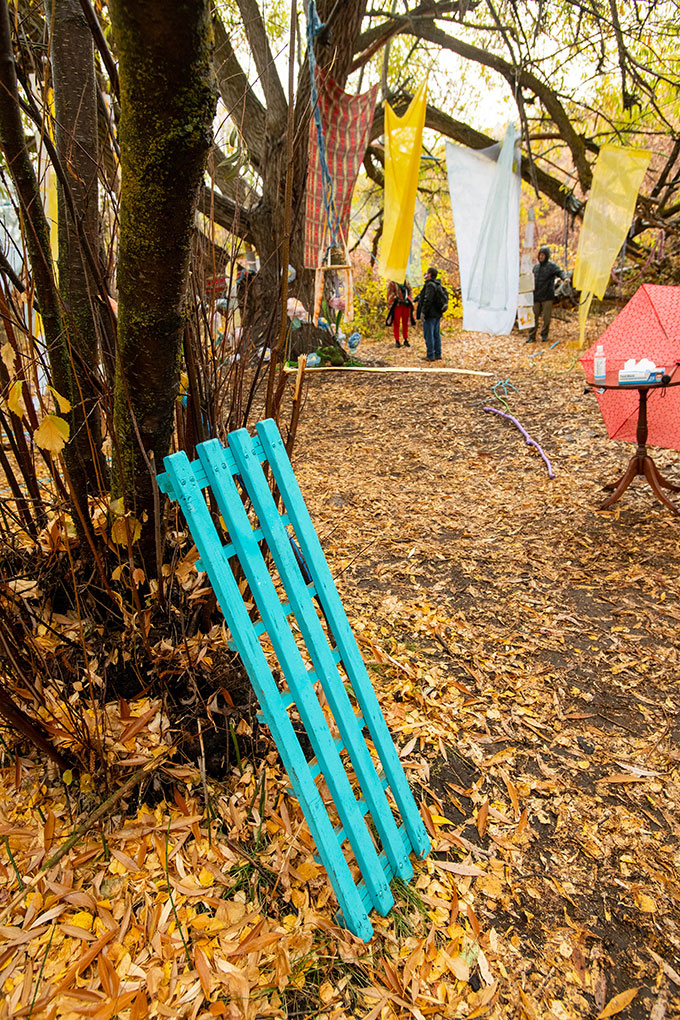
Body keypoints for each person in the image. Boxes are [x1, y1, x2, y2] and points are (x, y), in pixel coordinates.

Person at [526, 245, 566, 343]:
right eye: (540, 255)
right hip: (536, 296)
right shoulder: (536, 267)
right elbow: (531, 280)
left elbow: (560, 272)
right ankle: (531, 336)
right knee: (533, 317)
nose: (541, 257)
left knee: (546, 318)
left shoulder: (552, 266)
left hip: (547, 296)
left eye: (543, 255)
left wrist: (565, 278)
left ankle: (544, 335)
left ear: (547, 256)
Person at [416, 266, 445, 361]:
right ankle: (437, 354)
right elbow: (424, 295)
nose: (425, 274)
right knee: (436, 334)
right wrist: (418, 298)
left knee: (429, 335)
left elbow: (428, 299)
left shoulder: (429, 285)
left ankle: (430, 355)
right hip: (437, 313)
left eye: (427, 273)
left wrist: (423, 312)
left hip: (430, 314)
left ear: (429, 274)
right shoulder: (437, 284)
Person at [385, 279, 414, 347]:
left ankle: (405, 339)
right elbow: (390, 293)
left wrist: (408, 299)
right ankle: (397, 340)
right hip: (397, 305)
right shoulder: (392, 283)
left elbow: (410, 292)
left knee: (405, 323)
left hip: (406, 305)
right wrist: (396, 298)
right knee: (396, 323)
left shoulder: (406, 282)